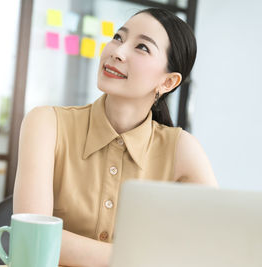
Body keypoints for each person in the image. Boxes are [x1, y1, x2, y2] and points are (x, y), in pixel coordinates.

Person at [13, 7, 218, 267]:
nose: (116, 52)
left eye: (142, 47)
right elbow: (32, 239)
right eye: (118, 37)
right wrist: (146, 257)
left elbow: (214, 245)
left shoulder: (182, 149)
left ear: (168, 83)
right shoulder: (46, 124)